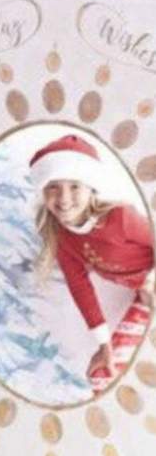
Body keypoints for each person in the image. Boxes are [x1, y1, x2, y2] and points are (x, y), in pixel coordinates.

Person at [29, 134, 154, 390]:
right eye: (53, 186)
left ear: (91, 187)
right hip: (142, 295)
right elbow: (80, 287)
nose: (64, 198)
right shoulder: (62, 237)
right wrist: (104, 344)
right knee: (103, 378)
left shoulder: (120, 216)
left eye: (75, 186)